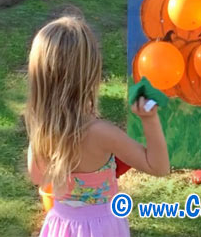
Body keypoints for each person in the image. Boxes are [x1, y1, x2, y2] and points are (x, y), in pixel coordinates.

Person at [25, 15, 169, 236]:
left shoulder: (43, 131)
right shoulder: (102, 133)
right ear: (91, 74)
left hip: (61, 225)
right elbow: (158, 168)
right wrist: (150, 120)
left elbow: (37, 177)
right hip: (103, 228)